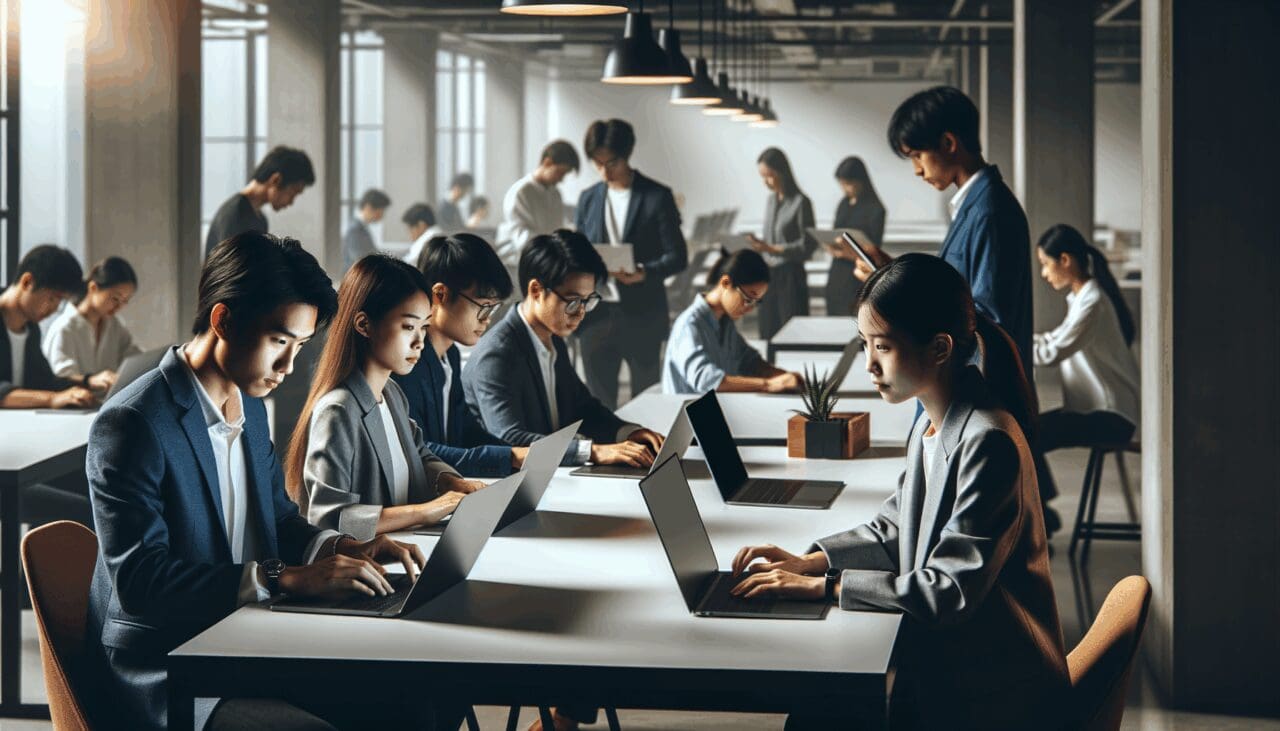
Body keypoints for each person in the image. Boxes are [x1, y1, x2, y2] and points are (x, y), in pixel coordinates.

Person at [85, 232, 438, 730]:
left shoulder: (249, 404)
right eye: (279, 341)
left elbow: (278, 518)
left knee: (413, 701)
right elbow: (142, 582)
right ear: (223, 319)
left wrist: (341, 547)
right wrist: (282, 577)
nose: (289, 367)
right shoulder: (133, 422)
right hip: (168, 666)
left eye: (300, 346)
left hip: (247, 637)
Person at [729, 254, 1066, 730]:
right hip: (949, 665)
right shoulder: (934, 423)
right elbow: (894, 527)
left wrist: (826, 588)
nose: (868, 364)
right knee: (815, 709)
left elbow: (949, 589)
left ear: (940, 348)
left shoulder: (988, 440)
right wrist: (815, 561)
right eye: (864, 343)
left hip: (992, 692)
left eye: (882, 346)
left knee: (817, 713)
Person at [286, 254, 484, 539]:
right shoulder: (338, 410)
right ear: (364, 324)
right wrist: (426, 511)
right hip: (370, 567)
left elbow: (420, 454)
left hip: (411, 547)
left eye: (424, 327)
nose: (419, 342)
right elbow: (329, 517)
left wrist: (450, 482)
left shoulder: (391, 393)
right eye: (408, 327)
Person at [462, 229, 665, 471]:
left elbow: (582, 406)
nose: (581, 313)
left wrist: (629, 433)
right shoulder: (497, 354)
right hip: (511, 486)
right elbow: (509, 439)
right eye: (572, 301)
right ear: (536, 290)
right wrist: (593, 451)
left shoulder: (553, 337)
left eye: (587, 301)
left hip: (554, 475)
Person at [864, 86, 1033, 373]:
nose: (917, 170)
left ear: (948, 143)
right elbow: (951, 294)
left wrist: (902, 295)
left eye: (917, 155)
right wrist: (893, 275)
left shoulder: (989, 212)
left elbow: (985, 321)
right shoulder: (974, 206)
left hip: (976, 391)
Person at [574, 118, 688, 409]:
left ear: (626, 156)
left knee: (646, 401)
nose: (603, 171)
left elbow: (678, 256)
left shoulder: (657, 196)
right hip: (596, 316)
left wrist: (644, 273)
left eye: (610, 162)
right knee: (599, 404)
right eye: (596, 164)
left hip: (643, 314)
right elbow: (575, 252)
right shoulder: (588, 199)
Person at [393, 234, 528, 477]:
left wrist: (518, 455)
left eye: (493, 308)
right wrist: (509, 457)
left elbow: (465, 431)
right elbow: (419, 450)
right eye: (483, 306)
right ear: (440, 295)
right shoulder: (406, 361)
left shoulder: (450, 355)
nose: (487, 319)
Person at [1032, 224, 1140, 506]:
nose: (1044, 274)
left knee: (1024, 434)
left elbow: (1052, 352)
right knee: (1023, 431)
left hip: (1113, 417)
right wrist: (1020, 338)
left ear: (1065, 260)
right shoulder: (1082, 297)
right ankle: (1043, 510)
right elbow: (1053, 339)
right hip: (1098, 412)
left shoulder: (1092, 302)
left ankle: (1041, 513)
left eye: (1045, 264)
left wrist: (1014, 344)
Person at [662, 249, 803, 395]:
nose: (750, 309)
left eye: (756, 302)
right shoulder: (689, 326)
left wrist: (787, 378)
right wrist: (768, 384)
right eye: (748, 300)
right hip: (689, 414)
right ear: (726, 283)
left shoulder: (725, 323)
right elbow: (706, 381)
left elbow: (750, 362)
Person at [0, 245, 98, 409]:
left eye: (60, 302)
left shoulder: (31, 329)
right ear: (27, 282)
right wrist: (51, 399)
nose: (53, 309)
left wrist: (88, 382)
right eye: (53, 298)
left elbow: (45, 382)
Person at [747, 147, 817, 341]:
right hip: (768, 276)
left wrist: (771, 248)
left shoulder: (801, 202)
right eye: (762, 177)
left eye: (769, 176)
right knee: (767, 331)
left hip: (790, 276)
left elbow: (807, 245)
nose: (766, 182)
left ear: (781, 172)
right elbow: (769, 237)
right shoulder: (770, 201)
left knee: (791, 332)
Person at [42, 255, 141, 390]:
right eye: (115, 299)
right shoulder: (64, 328)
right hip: (73, 406)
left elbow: (136, 360)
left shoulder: (115, 325)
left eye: (125, 301)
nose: (119, 307)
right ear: (93, 288)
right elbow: (59, 379)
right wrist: (91, 380)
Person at [204, 145, 315, 258]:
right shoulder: (236, 212)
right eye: (293, 193)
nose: (291, 202)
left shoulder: (260, 219)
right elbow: (230, 271)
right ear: (276, 180)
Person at [495, 139, 579, 266]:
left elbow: (556, 229)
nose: (561, 179)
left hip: (546, 261)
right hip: (519, 262)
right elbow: (521, 236)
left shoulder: (555, 193)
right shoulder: (521, 192)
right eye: (560, 173)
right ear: (547, 163)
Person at [823, 156, 886, 317]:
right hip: (837, 273)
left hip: (857, 275)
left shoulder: (876, 209)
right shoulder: (843, 203)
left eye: (848, 184)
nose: (845, 189)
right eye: (842, 184)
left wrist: (845, 252)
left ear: (861, 181)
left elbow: (874, 252)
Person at [343, 188, 391, 270]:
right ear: (368, 207)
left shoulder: (361, 227)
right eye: (381, 211)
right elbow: (360, 259)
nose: (382, 215)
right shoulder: (355, 229)